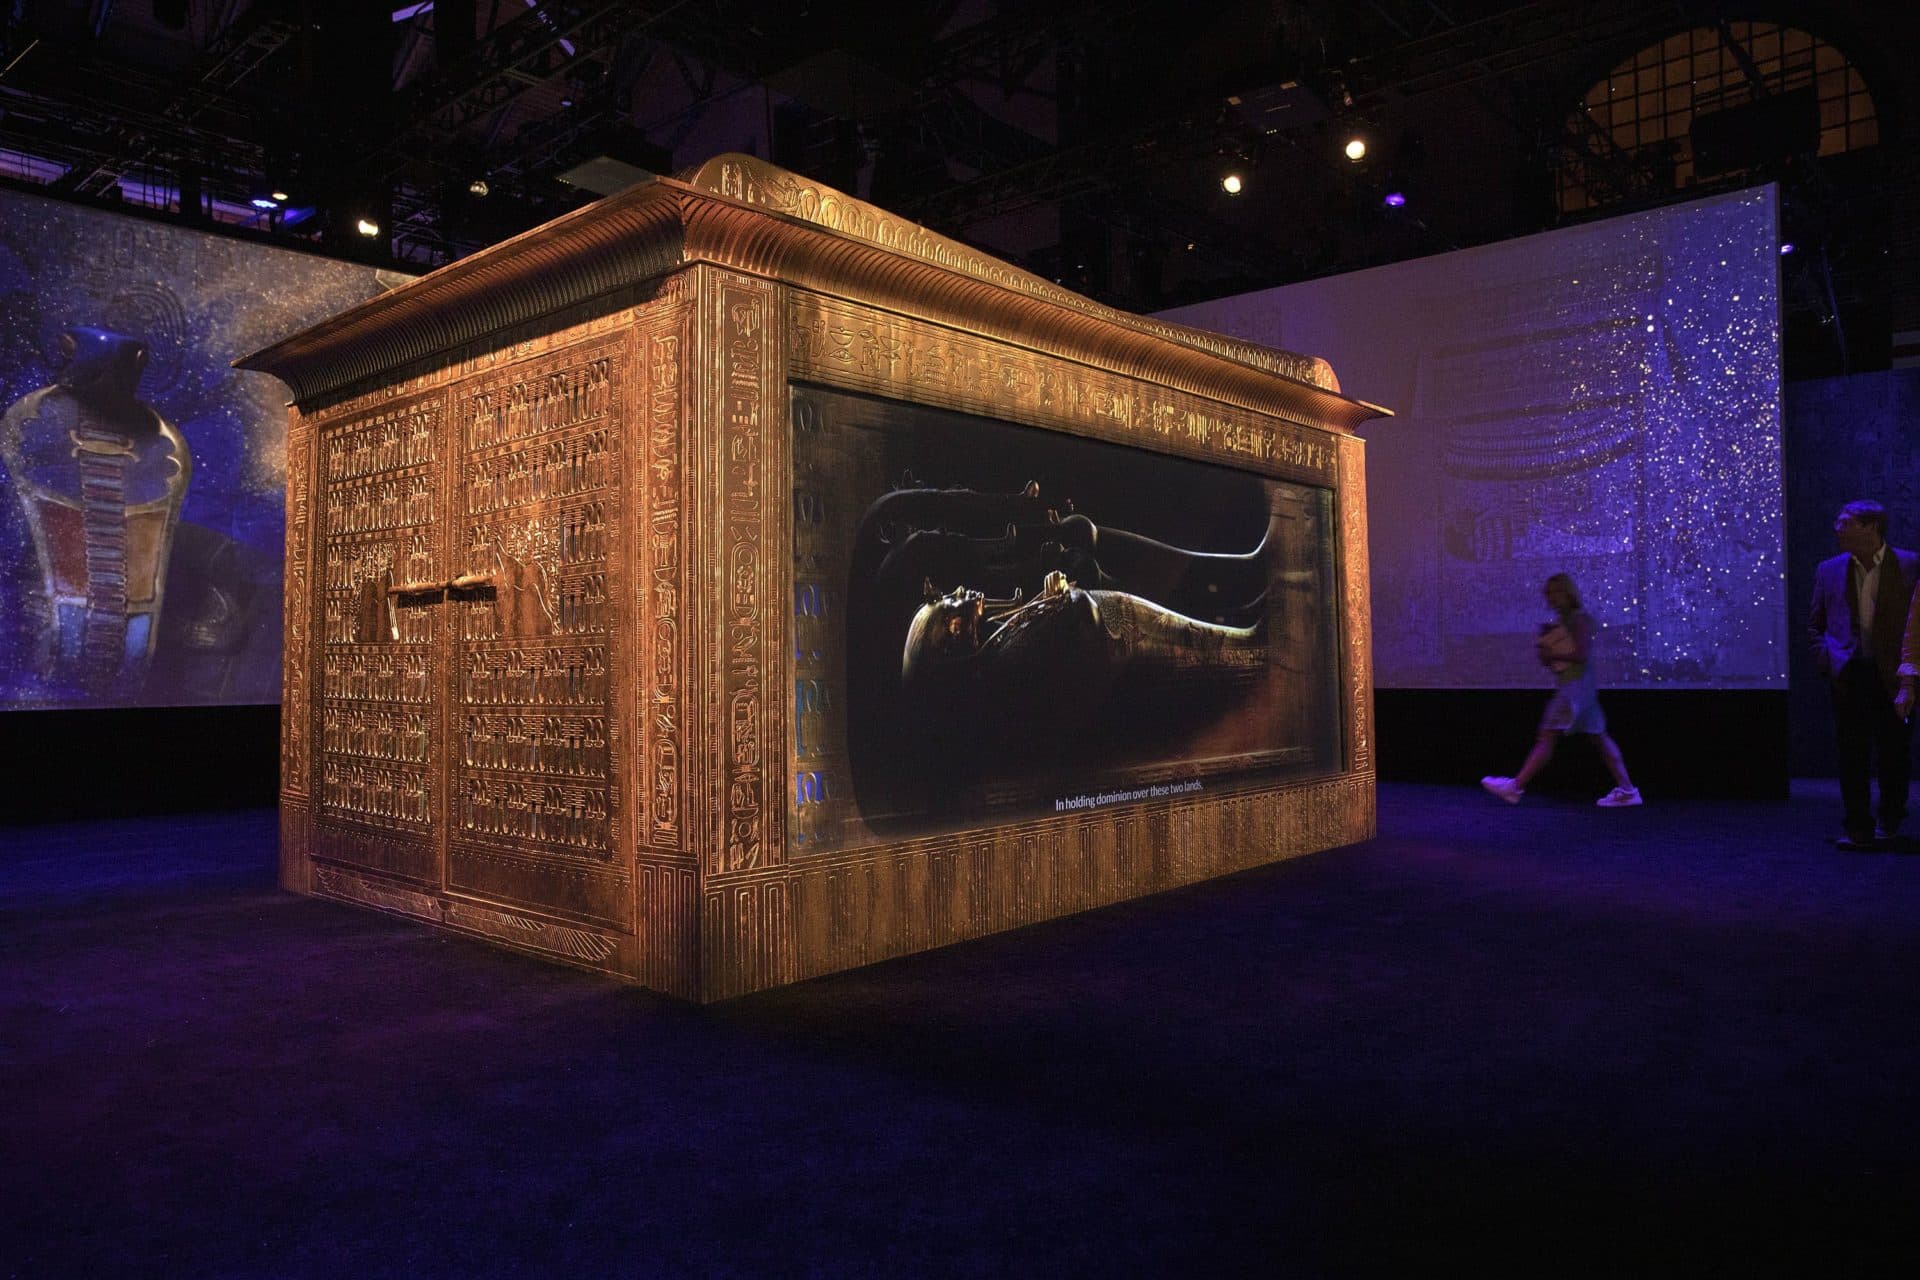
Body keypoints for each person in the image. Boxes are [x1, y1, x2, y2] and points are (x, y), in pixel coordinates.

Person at [1810, 500, 1920, 849]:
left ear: (1871, 527)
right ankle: (1857, 826)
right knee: (1851, 753)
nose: (1836, 527)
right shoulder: (1828, 569)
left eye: (1845, 522)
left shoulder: (1909, 565)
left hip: (1894, 674)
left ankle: (1889, 821)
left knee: (1895, 751)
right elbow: (1816, 624)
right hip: (1849, 673)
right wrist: (1828, 658)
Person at [1480, 573, 1641, 807]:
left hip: (1575, 691)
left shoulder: (1579, 619)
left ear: (1567, 592)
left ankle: (1515, 787)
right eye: (1549, 593)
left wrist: (1552, 653)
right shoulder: (1563, 623)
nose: (1551, 598)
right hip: (1578, 689)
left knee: (1547, 736)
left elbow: (1581, 655)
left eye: (1556, 592)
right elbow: (1558, 662)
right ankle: (1628, 790)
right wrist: (1546, 649)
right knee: (1599, 739)